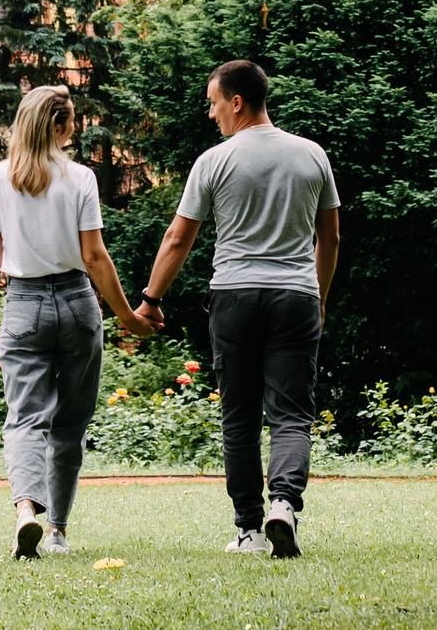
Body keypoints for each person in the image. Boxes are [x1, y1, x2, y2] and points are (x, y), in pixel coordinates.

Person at [135, 59, 340, 559]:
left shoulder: (214, 161)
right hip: (296, 296)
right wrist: (319, 297)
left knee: (240, 418)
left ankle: (249, 529)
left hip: (234, 297)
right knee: (291, 415)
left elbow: (179, 237)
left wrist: (150, 300)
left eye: (212, 103)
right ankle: (284, 506)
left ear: (236, 102)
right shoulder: (312, 155)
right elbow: (330, 237)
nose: (210, 115)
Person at [0, 84, 154, 559]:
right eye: (72, 120)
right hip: (77, 303)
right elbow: (95, 257)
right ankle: (56, 531)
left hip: (23, 305)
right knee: (69, 425)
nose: (75, 128)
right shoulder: (81, 179)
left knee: (24, 420)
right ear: (58, 126)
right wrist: (128, 318)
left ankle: (25, 514)